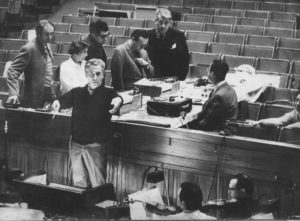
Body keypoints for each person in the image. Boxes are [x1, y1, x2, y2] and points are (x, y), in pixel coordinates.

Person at [51, 59, 123, 188]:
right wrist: (57, 102)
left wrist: (118, 100)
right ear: (86, 75)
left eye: (98, 74)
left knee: (98, 183)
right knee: (79, 182)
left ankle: (98, 208)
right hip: (76, 144)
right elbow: (61, 101)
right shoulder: (77, 92)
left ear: (103, 75)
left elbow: (118, 98)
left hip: (96, 145)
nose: (95, 78)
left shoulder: (108, 93)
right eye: (91, 74)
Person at [6, 20, 56, 108]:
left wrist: (53, 98)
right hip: (31, 100)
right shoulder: (29, 49)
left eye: (52, 34)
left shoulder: (47, 45)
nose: (50, 37)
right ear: (38, 34)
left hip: (46, 99)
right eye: (47, 34)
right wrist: (13, 94)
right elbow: (12, 71)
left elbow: (47, 74)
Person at [192, 60, 238, 131]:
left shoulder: (219, 96)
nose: (207, 72)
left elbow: (206, 124)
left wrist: (190, 123)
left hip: (216, 133)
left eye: (208, 70)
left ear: (212, 74)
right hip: (223, 127)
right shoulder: (230, 89)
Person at [145, 8, 189, 81]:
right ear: (155, 21)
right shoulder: (147, 35)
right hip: (151, 79)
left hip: (172, 79)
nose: (163, 26)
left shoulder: (179, 36)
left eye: (166, 23)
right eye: (160, 22)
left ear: (170, 23)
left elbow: (185, 61)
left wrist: (180, 80)